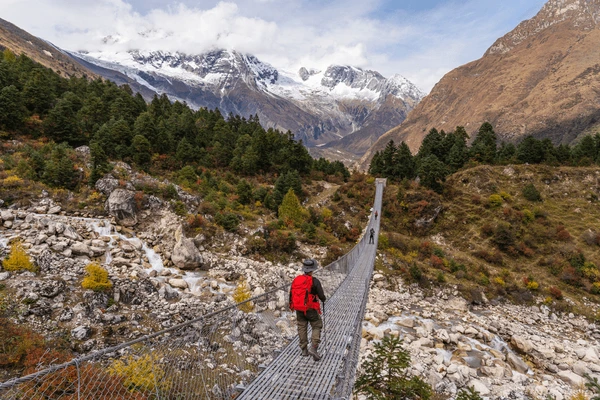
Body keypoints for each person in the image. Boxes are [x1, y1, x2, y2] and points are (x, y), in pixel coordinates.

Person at [289, 259, 326, 361]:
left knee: (302, 326)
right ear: (312, 270)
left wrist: (292, 305)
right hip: (311, 308)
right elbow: (321, 296)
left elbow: (291, 294)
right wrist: (323, 299)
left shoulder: (296, 280)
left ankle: (304, 350)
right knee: (317, 325)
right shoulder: (315, 281)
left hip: (299, 308)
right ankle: (314, 348)